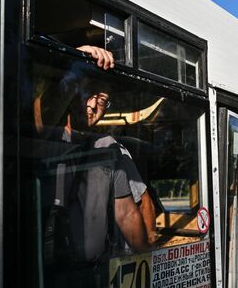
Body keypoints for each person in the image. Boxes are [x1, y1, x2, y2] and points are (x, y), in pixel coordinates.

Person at [34, 45, 157, 261]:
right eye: (87, 94)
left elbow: (126, 212)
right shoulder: (48, 136)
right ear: (72, 94)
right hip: (47, 274)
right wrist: (75, 62)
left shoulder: (108, 148)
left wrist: (147, 262)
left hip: (93, 275)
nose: (92, 106)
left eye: (101, 100)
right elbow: (43, 113)